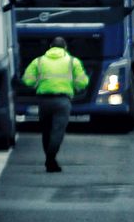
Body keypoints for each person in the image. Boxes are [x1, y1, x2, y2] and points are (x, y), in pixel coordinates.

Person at [21, 37, 89, 172]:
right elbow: (82, 82)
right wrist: (75, 87)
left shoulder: (39, 61)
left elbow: (27, 80)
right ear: (65, 48)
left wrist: (37, 84)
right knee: (57, 131)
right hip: (62, 101)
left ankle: (49, 158)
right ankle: (51, 158)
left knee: (46, 131)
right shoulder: (72, 61)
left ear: (50, 47)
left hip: (44, 101)